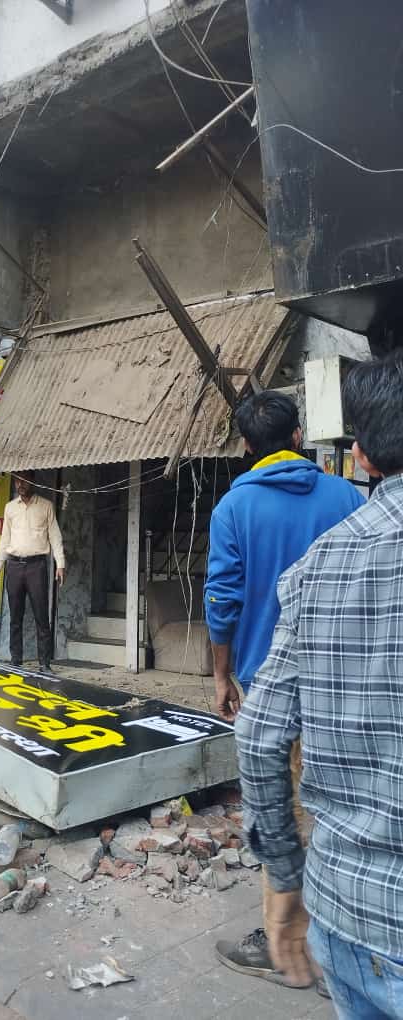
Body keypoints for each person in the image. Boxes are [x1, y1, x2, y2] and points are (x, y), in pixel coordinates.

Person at [235, 352, 403, 1015]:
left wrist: (285, 882)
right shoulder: (334, 502)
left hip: (342, 909)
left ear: (361, 454)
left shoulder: (257, 522)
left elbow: (258, 738)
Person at [205, 390, 364, 989]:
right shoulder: (347, 495)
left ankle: (288, 942)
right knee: (338, 806)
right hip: (344, 677)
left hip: (269, 682)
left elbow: (222, 600)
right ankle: (346, 927)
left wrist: (222, 676)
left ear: (248, 446)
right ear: (299, 435)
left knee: (283, 808)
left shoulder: (234, 508)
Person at [0, 472, 65, 672]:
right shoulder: (10, 508)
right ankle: (16, 660)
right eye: (17, 481)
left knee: (42, 616)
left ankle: (44, 663)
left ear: (32, 482)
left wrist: (60, 564)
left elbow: (55, 537)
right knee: (15, 616)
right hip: (14, 566)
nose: (20, 484)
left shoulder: (46, 506)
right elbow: (4, 539)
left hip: (36, 567)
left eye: (23, 480)